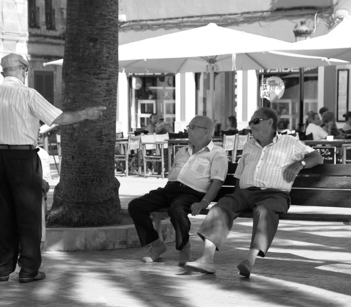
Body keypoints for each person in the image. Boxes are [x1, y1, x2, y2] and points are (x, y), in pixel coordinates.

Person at [0, 53, 105, 283]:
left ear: (3, 72)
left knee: (4, 214)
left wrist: (1, 147)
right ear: (24, 70)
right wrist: (85, 114)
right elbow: (58, 118)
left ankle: (3, 269)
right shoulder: (28, 94)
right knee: (29, 215)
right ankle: (28, 270)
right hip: (23, 158)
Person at [184, 108, 323, 277]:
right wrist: (235, 198)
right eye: (250, 122)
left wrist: (299, 164)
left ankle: (249, 260)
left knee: (264, 211)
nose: (251, 125)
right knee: (222, 206)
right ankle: (207, 259)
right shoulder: (249, 144)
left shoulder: (289, 142)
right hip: (246, 193)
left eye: (255, 121)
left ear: (270, 122)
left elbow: (317, 157)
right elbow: (239, 174)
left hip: (275, 194)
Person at [128, 115, 228, 266]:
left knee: (176, 210)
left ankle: (183, 247)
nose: (188, 130)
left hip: (192, 193)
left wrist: (203, 202)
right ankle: (156, 245)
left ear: (206, 132)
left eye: (193, 127)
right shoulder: (182, 151)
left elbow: (217, 182)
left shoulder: (217, 153)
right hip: (170, 189)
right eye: (189, 126)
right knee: (136, 205)